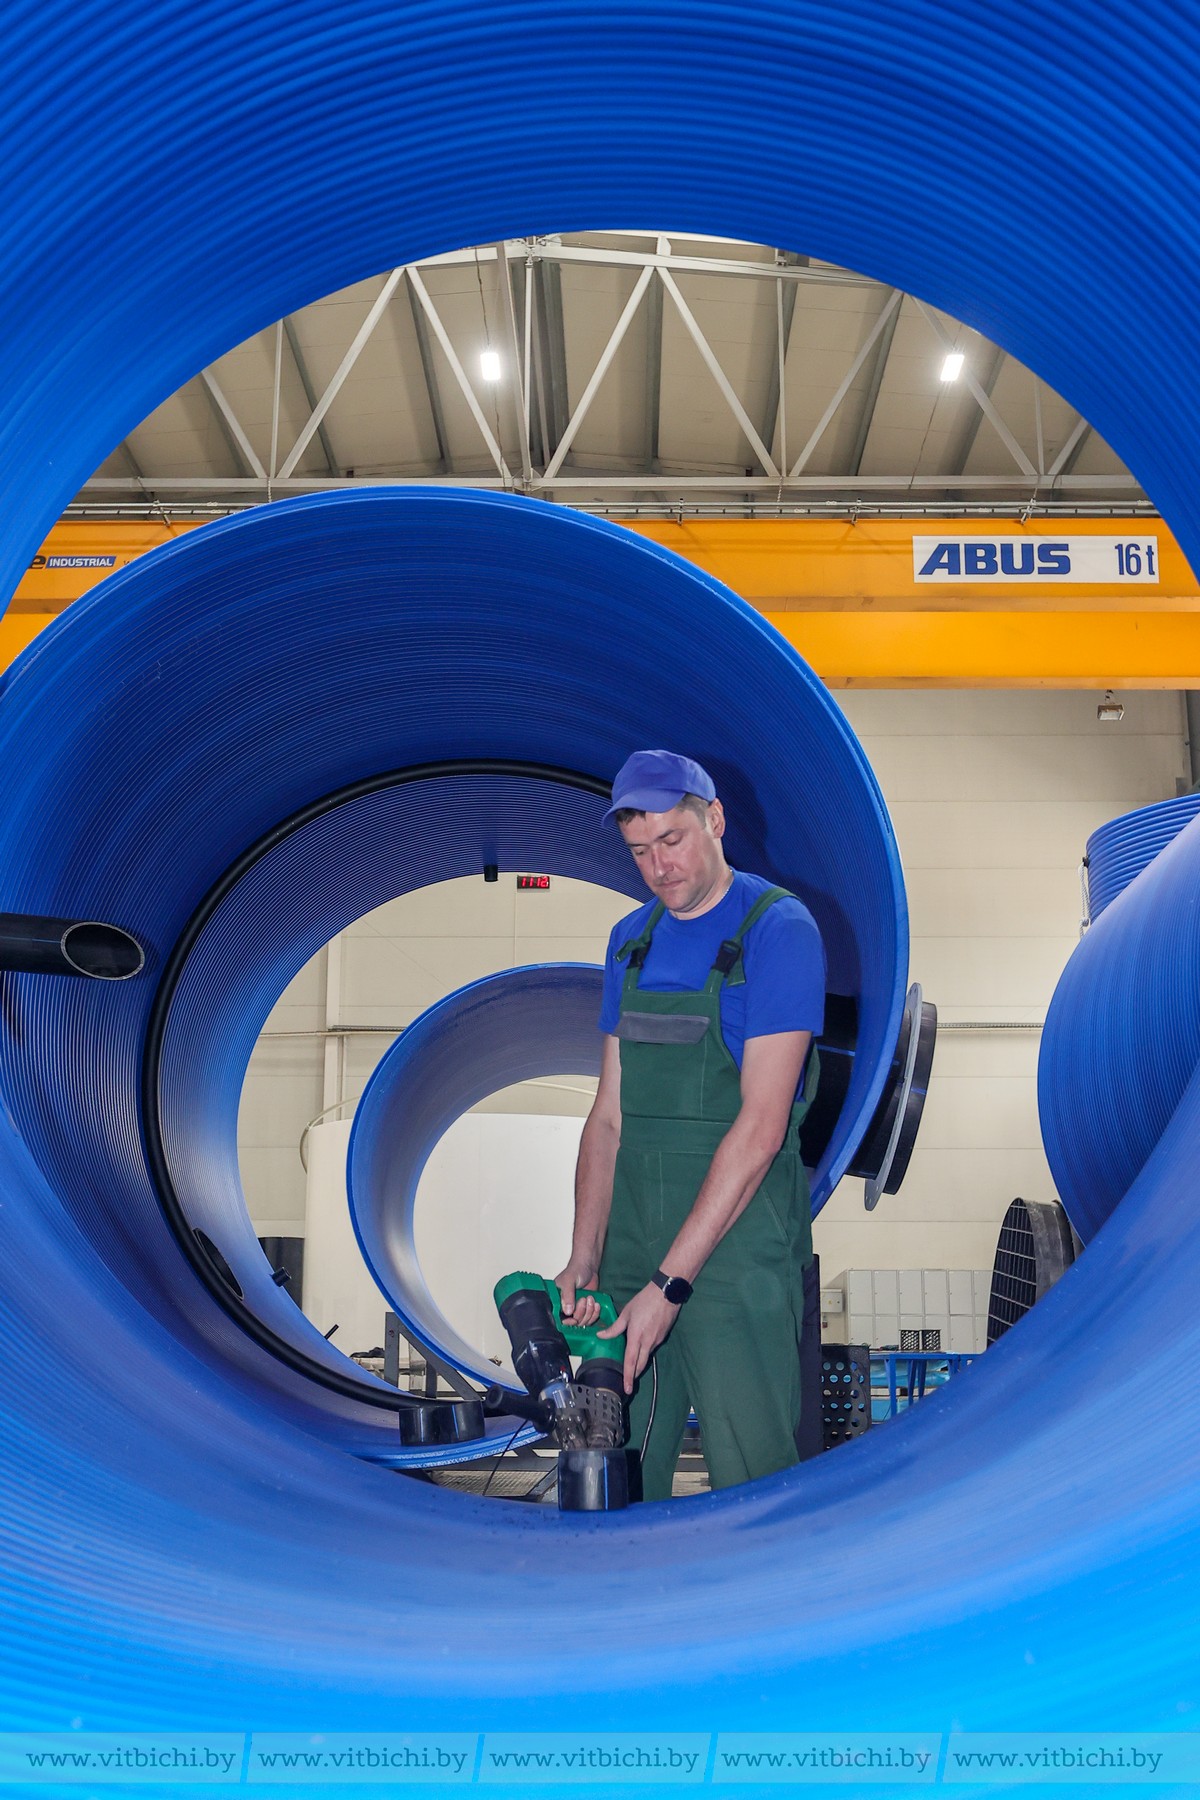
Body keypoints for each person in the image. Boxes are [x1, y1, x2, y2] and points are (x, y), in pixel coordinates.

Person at [556, 749, 826, 1501]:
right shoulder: (629, 940)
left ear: (715, 820)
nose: (658, 867)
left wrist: (670, 1285)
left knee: (752, 1469)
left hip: (737, 1246)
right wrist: (585, 1255)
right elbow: (607, 1119)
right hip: (631, 1241)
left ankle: (766, 1580)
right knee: (609, 1466)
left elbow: (762, 1128)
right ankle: (620, 1579)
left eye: (671, 840)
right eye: (639, 850)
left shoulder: (778, 930)